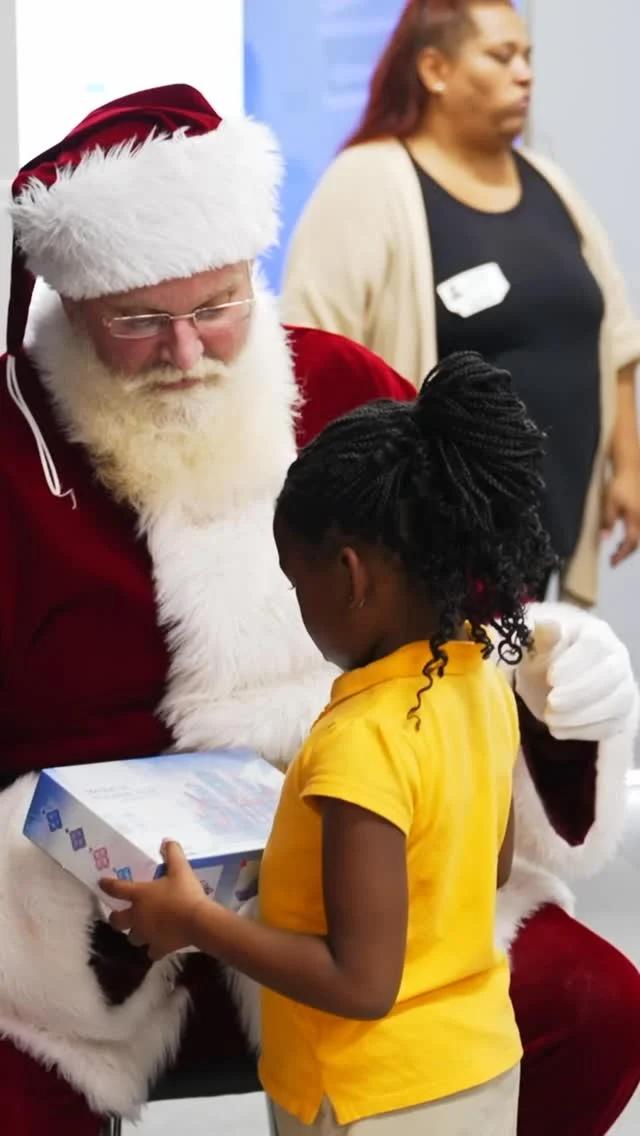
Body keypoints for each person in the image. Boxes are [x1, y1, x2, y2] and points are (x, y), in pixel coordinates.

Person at [0, 82, 637, 1136]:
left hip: (361, 871)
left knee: (593, 1006)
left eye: (216, 306)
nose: (189, 352)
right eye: (141, 322)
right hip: (73, 933)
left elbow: (480, 616)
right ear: (71, 302)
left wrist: (557, 686)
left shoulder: (347, 388)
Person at [101, 350, 556, 1136]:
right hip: (478, 1069)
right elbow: (493, 862)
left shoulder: (359, 742)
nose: (294, 601)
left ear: (348, 576)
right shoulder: (479, 673)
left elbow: (361, 983)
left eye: (292, 578)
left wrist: (195, 920)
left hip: (367, 1099)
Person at [281, 0, 640, 608]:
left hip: (546, 538)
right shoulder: (367, 182)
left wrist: (627, 465)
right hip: (430, 557)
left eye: (527, 56)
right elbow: (310, 359)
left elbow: (616, 341)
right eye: (501, 56)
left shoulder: (549, 182)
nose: (524, 72)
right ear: (434, 69)